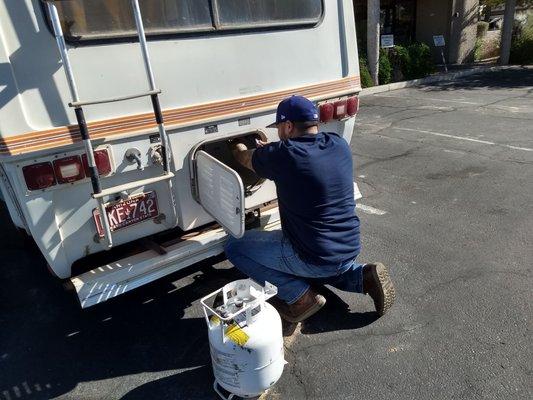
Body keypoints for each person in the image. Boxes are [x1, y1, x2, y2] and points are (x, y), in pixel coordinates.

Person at [225, 95, 395, 323]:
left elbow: (245, 158)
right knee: (328, 266)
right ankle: (363, 277)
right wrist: (273, 152)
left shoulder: (284, 155)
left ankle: (299, 298)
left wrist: (235, 145)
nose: (278, 133)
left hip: (312, 257)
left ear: (287, 126)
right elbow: (297, 156)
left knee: (234, 247)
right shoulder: (338, 144)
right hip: (348, 248)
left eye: (279, 128)